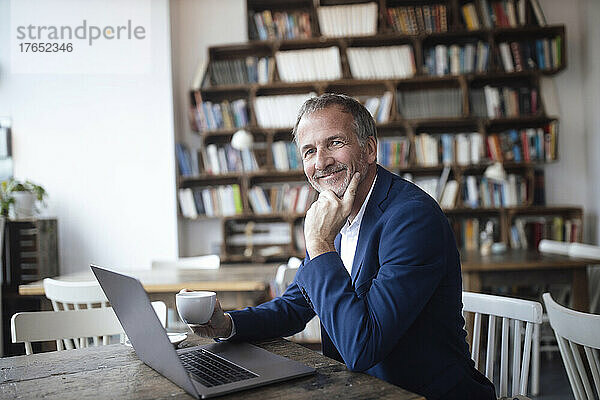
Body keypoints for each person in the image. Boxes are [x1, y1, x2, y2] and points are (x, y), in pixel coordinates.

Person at [186, 94, 496, 399]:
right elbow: (296, 305)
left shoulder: (412, 219)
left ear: (369, 149)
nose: (320, 162)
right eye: (309, 151)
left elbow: (362, 348)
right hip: (362, 389)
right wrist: (227, 324)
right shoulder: (335, 212)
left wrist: (319, 243)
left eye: (335, 142)